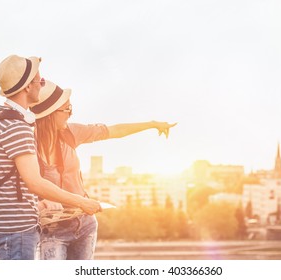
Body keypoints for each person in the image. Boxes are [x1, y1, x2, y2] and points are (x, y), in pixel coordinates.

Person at [30, 80, 176, 260]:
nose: (70, 113)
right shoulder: (27, 145)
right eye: (67, 109)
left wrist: (152, 124)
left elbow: (113, 131)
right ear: (50, 114)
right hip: (51, 231)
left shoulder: (71, 133)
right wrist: (38, 204)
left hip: (84, 224)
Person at [0, 55, 102, 260]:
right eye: (39, 81)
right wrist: (81, 202)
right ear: (27, 88)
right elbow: (35, 183)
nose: (42, 85)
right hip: (18, 230)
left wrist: (40, 203)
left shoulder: (3, 122)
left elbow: (14, 182)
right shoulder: (17, 127)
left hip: (13, 228)